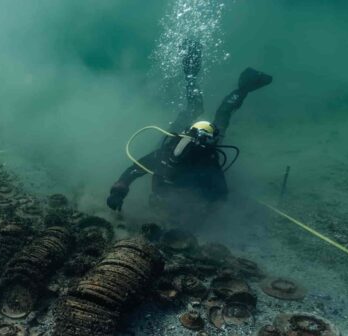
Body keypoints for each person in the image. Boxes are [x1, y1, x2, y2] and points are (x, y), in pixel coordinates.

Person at [107, 40, 272, 221]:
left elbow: (220, 196)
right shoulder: (168, 153)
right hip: (189, 136)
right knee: (211, 113)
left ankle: (238, 86)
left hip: (207, 142)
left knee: (212, 113)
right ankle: (196, 73)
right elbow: (134, 170)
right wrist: (119, 190)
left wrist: (203, 213)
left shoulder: (207, 164)